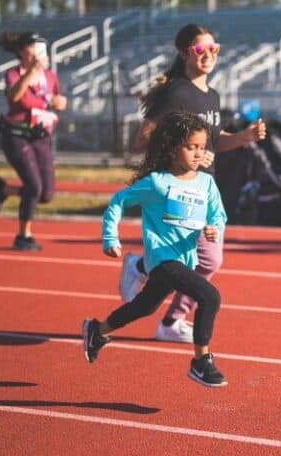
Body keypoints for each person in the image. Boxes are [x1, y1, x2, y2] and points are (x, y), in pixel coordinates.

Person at [118, 23, 266, 344]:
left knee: (197, 259)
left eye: (214, 48)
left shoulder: (211, 95)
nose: (208, 54)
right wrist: (188, 154)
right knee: (202, 259)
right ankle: (158, 297)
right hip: (179, 187)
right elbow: (143, 139)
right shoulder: (176, 93)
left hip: (204, 188)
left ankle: (155, 291)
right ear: (184, 53)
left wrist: (244, 137)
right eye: (201, 49)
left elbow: (214, 140)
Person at [83, 112, 229, 387]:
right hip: (162, 258)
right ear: (173, 148)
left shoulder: (206, 182)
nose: (199, 153)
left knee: (144, 307)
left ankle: (97, 330)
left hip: (185, 260)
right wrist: (110, 238)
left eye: (202, 147)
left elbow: (218, 215)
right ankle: (201, 362)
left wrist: (214, 228)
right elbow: (118, 202)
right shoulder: (157, 183)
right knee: (210, 296)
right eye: (191, 147)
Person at [0, 31, 68, 251]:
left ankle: (4, 190)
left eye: (40, 45)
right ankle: (23, 236)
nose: (37, 49)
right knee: (34, 186)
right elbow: (14, 96)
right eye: (32, 45)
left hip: (40, 136)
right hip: (16, 135)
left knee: (46, 194)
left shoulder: (50, 77)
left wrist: (60, 102)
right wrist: (31, 73)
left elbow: (59, 101)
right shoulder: (13, 74)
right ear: (22, 50)